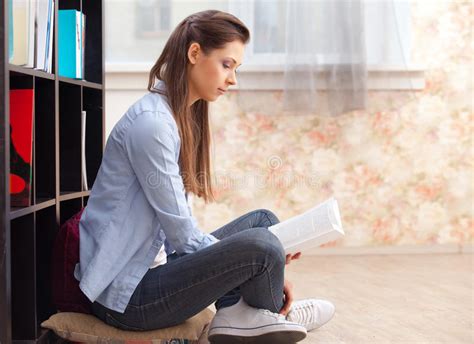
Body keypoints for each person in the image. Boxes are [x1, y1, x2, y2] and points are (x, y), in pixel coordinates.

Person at [73, 9, 335, 344]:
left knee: (263, 222)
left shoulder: (173, 117)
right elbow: (184, 236)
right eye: (227, 65)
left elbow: (175, 237)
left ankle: (245, 313)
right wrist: (263, 259)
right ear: (194, 53)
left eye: (236, 68)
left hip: (152, 268)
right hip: (127, 299)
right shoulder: (151, 125)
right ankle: (268, 313)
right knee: (264, 245)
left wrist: (260, 259)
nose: (233, 79)